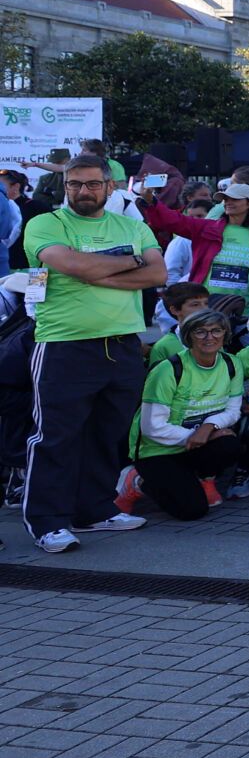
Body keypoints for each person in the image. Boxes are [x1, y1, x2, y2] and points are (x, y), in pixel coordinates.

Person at [21, 154, 164, 552]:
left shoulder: (133, 225)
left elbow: (157, 275)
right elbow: (72, 265)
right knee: (55, 437)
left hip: (121, 344)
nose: (83, 191)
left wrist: (97, 269)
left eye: (92, 184)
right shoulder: (46, 223)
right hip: (64, 345)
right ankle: (47, 521)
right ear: (65, 186)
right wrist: (127, 263)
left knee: (107, 434)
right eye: (74, 184)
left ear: (110, 186)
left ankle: (94, 510)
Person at [125, 310, 243, 521]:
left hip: (196, 443)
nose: (210, 337)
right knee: (192, 511)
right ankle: (136, 480)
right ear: (188, 336)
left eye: (216, 331)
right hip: (157, 450)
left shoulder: (232, 364)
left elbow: (233, 411)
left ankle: (202, 479)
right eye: (201, 332)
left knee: (230, 445)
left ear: (225, 334)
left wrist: (208, 427)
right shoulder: (168, 369)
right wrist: (194, 435)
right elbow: (152, 427)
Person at [138, 181, 249, 320]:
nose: (227, 202)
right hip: (205, 311)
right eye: (225, 198)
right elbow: (173, 221)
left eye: (234, 199)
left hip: (247, 314)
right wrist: (151, 200)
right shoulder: (206, 228)